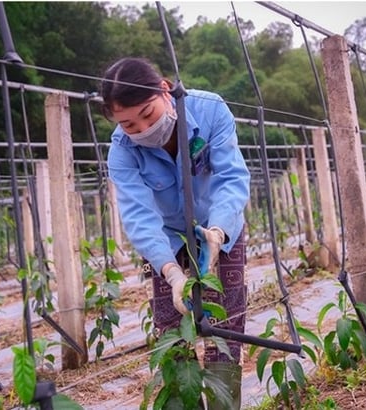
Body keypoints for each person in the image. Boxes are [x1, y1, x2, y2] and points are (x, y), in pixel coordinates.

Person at [101, 57, 250, 409]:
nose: (141, 129)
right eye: (128, 124)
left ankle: (223, 405)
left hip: (221, 227)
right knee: (172, 331)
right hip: (167, 240)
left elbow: (231, 177)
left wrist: (217, 232)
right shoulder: (122, 152)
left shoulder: (210, 110)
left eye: (148, 115)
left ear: (164, 90)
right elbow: (138, 215)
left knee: (225, 330)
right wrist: (170, 271)